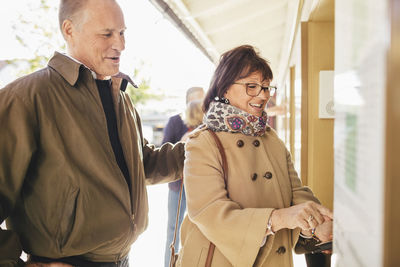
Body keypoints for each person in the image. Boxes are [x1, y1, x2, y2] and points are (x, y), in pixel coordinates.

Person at [0, 0, 185, 266]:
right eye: (106, 33)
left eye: (122, 33)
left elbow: (141, 165)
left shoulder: (121, 99)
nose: (120, 44)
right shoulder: (26, 98)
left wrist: (202, 147)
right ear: (69, 30)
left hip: (122, 260)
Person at [176, 45, 333, 267]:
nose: (263, 95)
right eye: (252, 86)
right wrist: (279, 218)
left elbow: (296, 191)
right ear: (225, 89)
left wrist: (316, 222)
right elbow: (210, 212)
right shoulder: (203, 143)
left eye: (267, 87)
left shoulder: (271, 138)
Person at [162, 87, 204, 267]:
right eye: (195, 101)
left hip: (203, 184)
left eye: (202, 101)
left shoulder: (210, 122)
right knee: (173, 229)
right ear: (187, 101)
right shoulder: (175, 121)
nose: (199, 105)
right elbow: (162, 151)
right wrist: (183, 141)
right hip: (178, 185)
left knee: (202, 228)